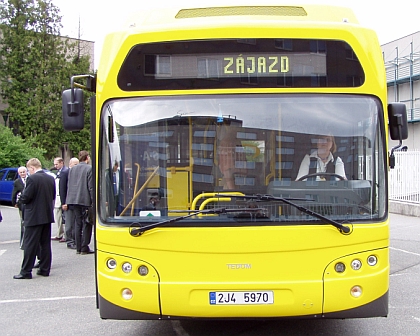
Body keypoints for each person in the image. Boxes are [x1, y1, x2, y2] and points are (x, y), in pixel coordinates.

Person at [13, 158, 55, 279]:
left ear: (32, 168)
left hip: (34, 216)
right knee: (45, 243)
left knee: (30, 244)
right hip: (46, 214)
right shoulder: (50, 178)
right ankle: (44, 269)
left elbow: (26, 197)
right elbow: (52, 195)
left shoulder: (32, 178)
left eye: (28, 169)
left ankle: (26, 271)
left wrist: (20, 199)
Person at [66, 151, 93, 255]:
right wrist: (93, 201)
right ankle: (84, 246)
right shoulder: (89, 168)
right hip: (85, 200)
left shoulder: (72, 169)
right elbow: (90, 186)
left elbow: (70, 184)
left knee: (77, 223)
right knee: (87, 223)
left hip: (74, 200)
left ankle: (78, 246)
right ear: (87, 158)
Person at [60, 157, 79, 249]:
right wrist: (64, 202)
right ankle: (69, 241)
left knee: (76, 223)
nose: (76, 166)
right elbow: (62, 189)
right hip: (68, 202)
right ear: (70, 164)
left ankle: (75, 240)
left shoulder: (78, 173)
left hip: (77, 202)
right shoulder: (65, 173)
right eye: (75, 164)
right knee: (69, 223)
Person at [51, 157, 68, 242]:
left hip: (62, 198)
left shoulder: (65, 172)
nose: (55, 166)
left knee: (64, 218)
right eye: (54, 164)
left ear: (62, 163)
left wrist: (64, 201)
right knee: (58, 217)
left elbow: (64, 187)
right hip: (57, 198)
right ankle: (59, 233)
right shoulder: (59, 172)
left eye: (57, 164)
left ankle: (64, 235)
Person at [12, 166, 27, 248]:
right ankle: (23, 242)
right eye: (21, 172)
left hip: (28, 204)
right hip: (21, 204)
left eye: (23, 172)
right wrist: (14, 202)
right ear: (19, 174)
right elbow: (14, 193)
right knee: (23, 221)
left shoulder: (29, 179)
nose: (22, 174)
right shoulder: (17, 182)